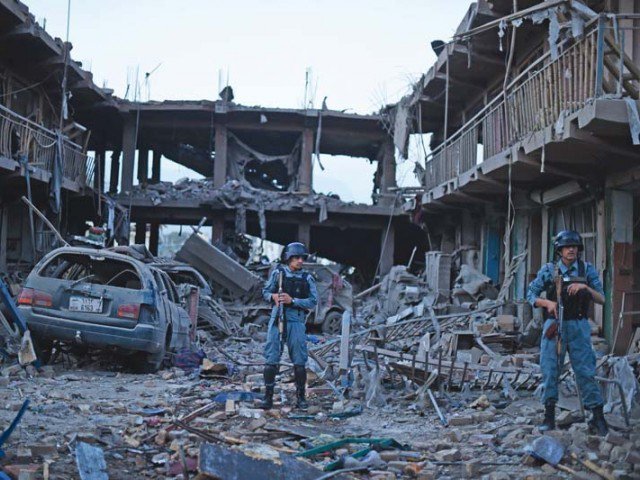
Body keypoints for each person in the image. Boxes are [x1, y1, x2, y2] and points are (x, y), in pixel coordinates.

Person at [526, 230, 608, 435]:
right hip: (555, 325)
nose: (571, 249)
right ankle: (549, 416)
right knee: (550, 370)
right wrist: (547, 303)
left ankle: (597, 417)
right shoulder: (550, 270)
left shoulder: (586, 270)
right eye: (567, 246)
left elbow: (602, 299)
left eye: (575, 246)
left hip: (579, 326)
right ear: (559, 250)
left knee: (586, 372)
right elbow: (530, 293)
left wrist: (585, 288)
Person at [260, 242, 317, 410]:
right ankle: (268, 398)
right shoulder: (278, 274)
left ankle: (301, 398)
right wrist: (273, 297)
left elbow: (313, 301)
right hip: (278, 318)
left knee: (299, 361)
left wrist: (294, 301)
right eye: (296, 258)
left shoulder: (307, 278)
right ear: (288, 258)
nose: (300, 261)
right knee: (271, 360)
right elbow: (265, 292)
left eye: (302, 258)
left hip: (296, 321)